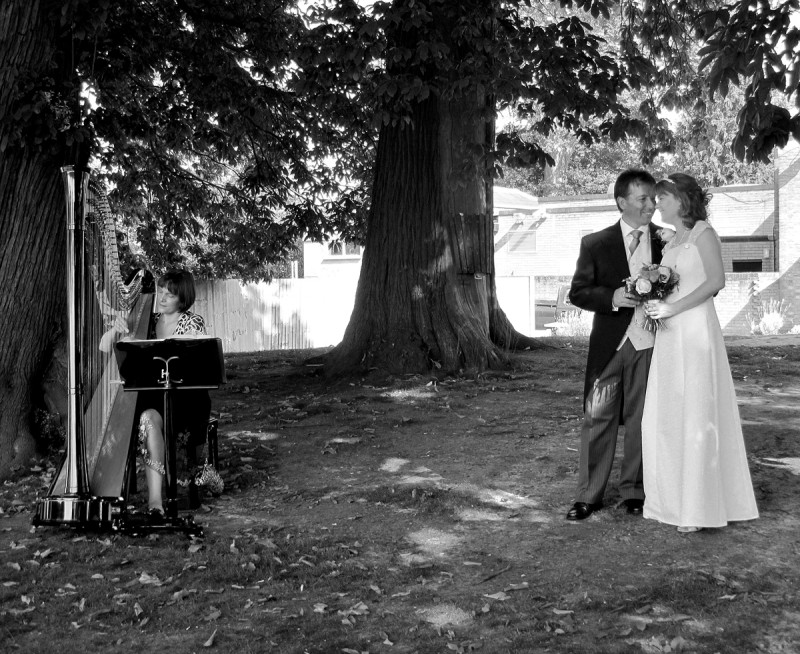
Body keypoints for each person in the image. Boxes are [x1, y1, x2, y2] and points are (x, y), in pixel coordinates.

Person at [642, 173, 759, 533]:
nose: (656, 203)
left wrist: (673, 308)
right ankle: (668, 499)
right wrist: (656, 299)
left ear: (681, 199)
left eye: (662, 197)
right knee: (668, 409)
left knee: (695, 408)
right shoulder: (672, 240)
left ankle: (696, 507)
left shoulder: (703, 233)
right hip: (670, 332)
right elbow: (675, 280)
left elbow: (715, 282)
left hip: (694, 329)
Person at [565, 169, 662, 521]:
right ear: (622, 202)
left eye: (653, 198)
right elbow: (578, 291)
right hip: (610, 345)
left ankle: (634, 491)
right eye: (643, 199)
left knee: (642, 419)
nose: (651, 204)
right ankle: (588, 495)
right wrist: (614, 296)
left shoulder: (667, 241)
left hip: (652, 342)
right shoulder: (596, 243)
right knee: (598, 417)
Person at [103, 269, 213, 521]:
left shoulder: (191, 322)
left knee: (154, 413)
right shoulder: (146, 321)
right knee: (148, 420)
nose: (161, 298)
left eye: (170, 295)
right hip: (154, 399)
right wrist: (118, 332)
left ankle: (189, 482)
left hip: (186, 399)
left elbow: (190, 367)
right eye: (160, 291)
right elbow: (102, 347)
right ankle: (155, 503)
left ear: (182, 299)